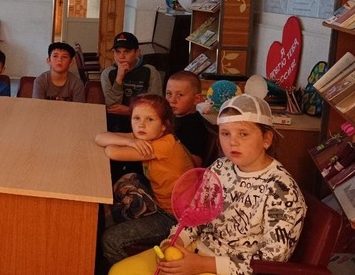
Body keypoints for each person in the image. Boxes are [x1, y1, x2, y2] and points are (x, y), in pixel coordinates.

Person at [109, 94, 307, 275]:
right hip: (196, 251)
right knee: (120, 272)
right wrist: (177, 240)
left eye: (243, 134)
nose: (233, 142)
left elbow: (272, 261)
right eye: (225, 134)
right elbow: (194, 215)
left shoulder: (283, 190)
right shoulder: (220, 167)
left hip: (227, 269)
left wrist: (203, 265)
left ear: (266, 139)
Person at [95, 94, 195, 267]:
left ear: (164, 126)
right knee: (124, 183)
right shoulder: (147, 136)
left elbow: (112, 151)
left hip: (175, 218)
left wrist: (128, 142)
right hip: (160, 201)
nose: (141, 125)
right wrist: (129, 141)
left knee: (110, 239)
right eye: (136, 118)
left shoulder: (164, 145)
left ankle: (125, 268)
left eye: (150, 119)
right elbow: (100, 137)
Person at [101, 32, 162, 132]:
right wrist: (119, 78)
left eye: (127, 51)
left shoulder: (150, 71)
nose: (121, 56)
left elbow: (156, 104)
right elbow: (112, 106)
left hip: (143, 123)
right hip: (115, 123)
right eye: (117, 52)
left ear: (137, 52)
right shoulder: (107, 73)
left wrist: (130, 111)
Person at [166, 70, 210, 167]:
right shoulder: (170, 117)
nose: (172, 100)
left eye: (180, 95)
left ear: (196, 99)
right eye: (169, 94)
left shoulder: (194, 126)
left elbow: (195, 163)